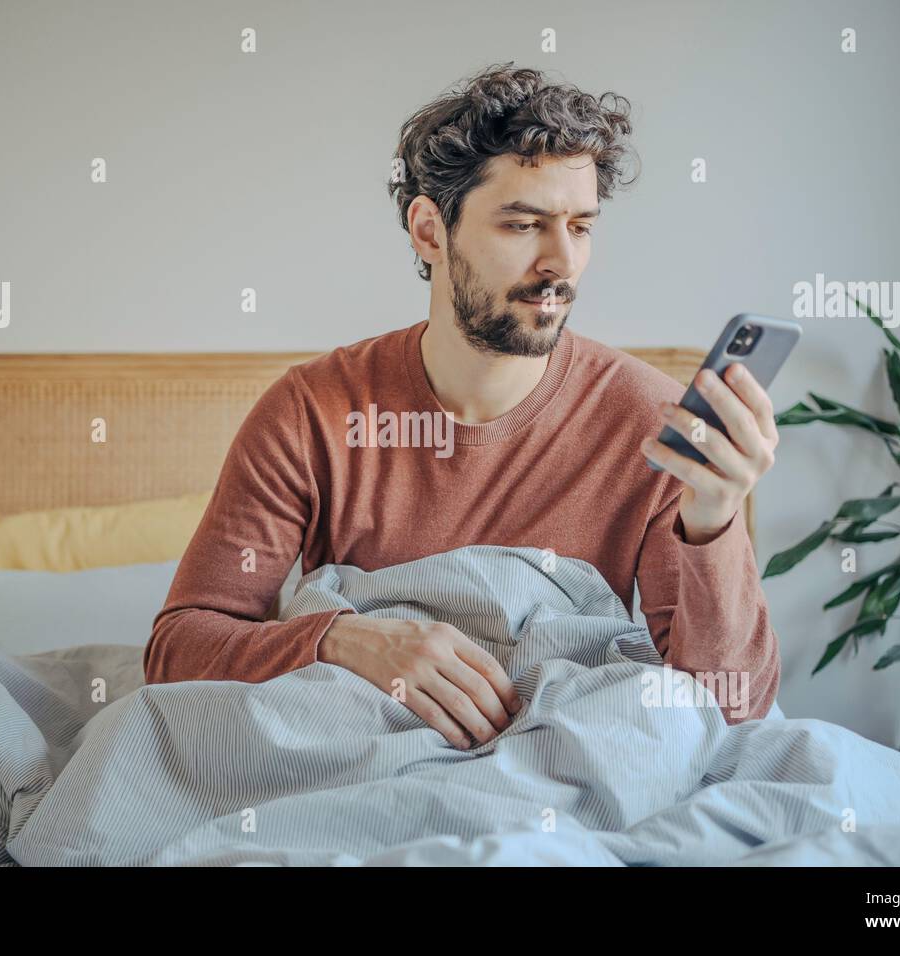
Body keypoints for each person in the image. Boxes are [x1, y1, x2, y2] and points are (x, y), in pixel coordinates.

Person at [145, 62, 781, 748]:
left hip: (561, 766)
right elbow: (177, 652)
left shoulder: (651, 424)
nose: (561, 263)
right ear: (429, 231)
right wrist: (343, 640)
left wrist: (713, 525)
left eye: (581, 226)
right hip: (355, 756)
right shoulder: (312, 414)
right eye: (522, 225)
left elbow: (730, 710)